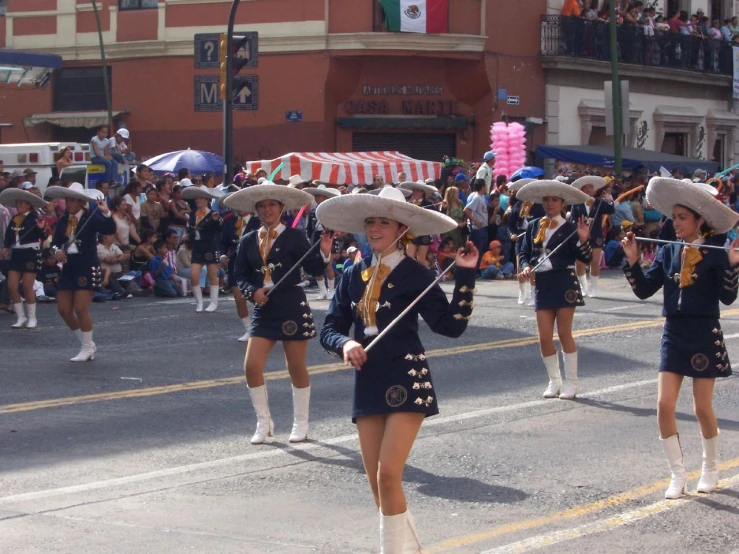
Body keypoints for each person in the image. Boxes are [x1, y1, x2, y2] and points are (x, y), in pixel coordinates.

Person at [317, 186, 478, 553]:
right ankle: (411, 548)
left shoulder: (416, 274)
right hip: (368, 378)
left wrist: (466, 277)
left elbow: (450, 326)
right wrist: (346, 344)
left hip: (407, 378)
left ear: (401, 229)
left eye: (383, 222)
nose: (375, 229)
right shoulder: (352, 273)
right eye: (370, 222)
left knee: (389, 474)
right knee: (377, 483)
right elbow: (329, 328)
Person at [621, 177, 739, 499]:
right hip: (673, 332)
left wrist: (733, 265)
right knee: (663, 404)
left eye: (681, 217)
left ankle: (711, 469)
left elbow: (728, 298)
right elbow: (645, 290)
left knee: (702, 408)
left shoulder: (716, 252)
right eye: (673, 217)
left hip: (703, 333)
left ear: (699, 220)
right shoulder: (669, 250)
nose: (675, 223)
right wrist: (632, 261)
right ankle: (677, 475)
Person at [227, 182, 332, 445]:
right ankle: (264, 422)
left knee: (295, 366)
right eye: (261, 206)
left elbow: (314, 267)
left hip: (290, 305)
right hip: (263, 308)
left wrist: (326, 252)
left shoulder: (295, 236)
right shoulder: (248, 239)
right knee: (251, 366)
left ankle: (301, 423)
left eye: (271, 205)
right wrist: (252, 292)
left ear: (282, 207)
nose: (266, 210)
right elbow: (239, 274)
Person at [518, 180, 592, 399]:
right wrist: (526, 267)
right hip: (542, 283)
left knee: (564, 333)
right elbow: (524, 252)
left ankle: (572, 383)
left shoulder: (570, 228)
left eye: (555, 200)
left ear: (562, 203)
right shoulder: (533, 226)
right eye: (546, 200)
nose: (550, 204)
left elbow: (585, 258)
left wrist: (583, 239)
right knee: (543, 337)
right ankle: (554, 381)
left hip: (564, 282)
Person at [46, 183, 116, 362]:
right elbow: (54, 242)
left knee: (81, 308)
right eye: (66, 200)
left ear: (80, 202)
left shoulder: (90, 217)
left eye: (71, 200)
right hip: (69, 265)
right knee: (64, 309)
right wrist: (56, 252)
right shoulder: (63, 220)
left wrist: (106, 212)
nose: (68, 203)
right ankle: (87, 343)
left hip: (86, 264)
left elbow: (109, 229)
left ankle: (86, 347)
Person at [0, 188, 48, 329]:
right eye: (17, 203)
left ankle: (32, 318)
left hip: (30, 253)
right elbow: (8, 235)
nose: (19, 206)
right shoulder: (15, 219)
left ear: (28, 204)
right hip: (17, 254)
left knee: (27, 286)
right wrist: (5, 247)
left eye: (21, 203)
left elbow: (43, 235)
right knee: (12, 286)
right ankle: (21, 316)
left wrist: (41, 228)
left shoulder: (34, 217)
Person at [569, 176, 615, 297]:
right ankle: (583, 287)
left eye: (590, 187)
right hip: (580, 234)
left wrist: (609, 199)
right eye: (585, 188)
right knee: (579, 262)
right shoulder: (577, 203)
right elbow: (573, 219)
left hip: (596, 234)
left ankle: (593, 287)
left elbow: (610, 210)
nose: (588, 190)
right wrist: (580, 227)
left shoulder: (599, 202)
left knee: (595, 261)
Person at [222, 202, 261, 341]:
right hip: (235, 263)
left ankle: (262, 326)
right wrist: (222, 255)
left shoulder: (258, 222)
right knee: (239, 298)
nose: (240, 208)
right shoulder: (229, 222)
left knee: (258, 297)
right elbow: (223, 242)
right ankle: (248, 329)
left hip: (253, 263)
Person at [182, 185, 224, 312]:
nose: (199, 201)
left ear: (207, 200)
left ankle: (213, 302)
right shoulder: (193, 213)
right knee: (194, 275)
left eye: (202, 199)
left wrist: (217, 220)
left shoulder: (213, 214)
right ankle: (199, 302)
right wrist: (187, 235)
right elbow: (190, 229)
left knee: (212, 275)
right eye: (197, 199)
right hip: (197, 246)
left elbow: (220, 228)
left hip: (210, 246)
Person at [507, 178, 545, 305]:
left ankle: (534, 295)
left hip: (535, 238)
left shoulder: (540, 205)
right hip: (521, 237)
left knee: (533, 267)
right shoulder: (518, 205)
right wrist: (512, 233)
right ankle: (522, 293)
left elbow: (542, 222)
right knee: (520, 268)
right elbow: (511, 223)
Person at [304, 183, 341, 299]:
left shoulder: (330, 211)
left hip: (328, 238)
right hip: (315, 239)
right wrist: (310, 239)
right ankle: (322, 290)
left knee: (328, 265)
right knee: (316, 266)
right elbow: (309, 227)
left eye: (320, 196)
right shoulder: (312, 211)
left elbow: (335, 225)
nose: (318, 198)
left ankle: (331, 290)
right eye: (316, 196)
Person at [400, 180, 438, 268]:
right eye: (414, 190)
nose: (415, 192)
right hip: (411, 233)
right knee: (409, 257)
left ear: (422, 193)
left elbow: (436, 216)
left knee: (421, 259)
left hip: (424, 233)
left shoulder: (428, 204)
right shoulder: (409, 204)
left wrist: (443, 207)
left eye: (418, 190)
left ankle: (431, 272)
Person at [463, 179, 489, 271]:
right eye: (485, 185)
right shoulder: (476, 197)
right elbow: (466, 210)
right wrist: (475, 221)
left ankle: (477, 269)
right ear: (482, 187)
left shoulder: (482, 197)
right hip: (477, 229)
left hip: (483, 227)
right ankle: (473, 270)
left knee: (481, 250)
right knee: (476, 250)